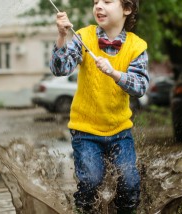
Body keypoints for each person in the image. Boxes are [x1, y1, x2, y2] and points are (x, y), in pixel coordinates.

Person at [49, 0, 149, 213]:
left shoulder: (136, 46)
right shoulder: (83, 37)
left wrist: (114, 73)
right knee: (91, 181)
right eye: (95, 2)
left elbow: (140, 87)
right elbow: (60, 69)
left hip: (120, 131)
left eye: (107, 1)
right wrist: (61, 37)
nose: (99, 6)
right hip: (85, 131)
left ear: (127, 9)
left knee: (129, 183)